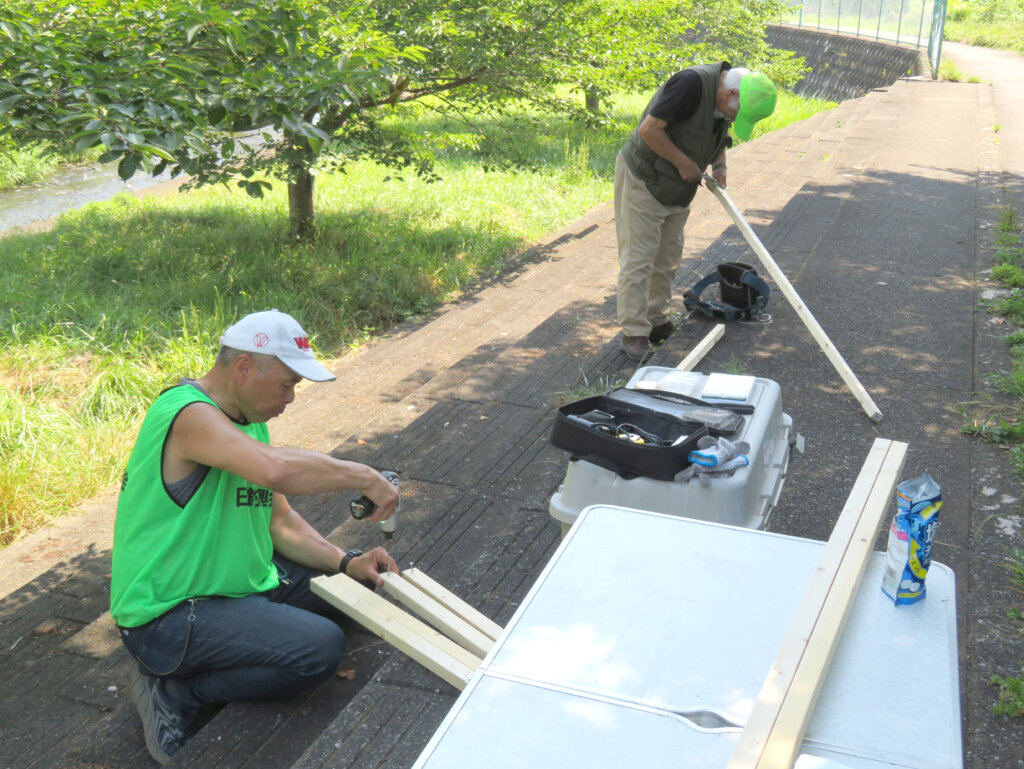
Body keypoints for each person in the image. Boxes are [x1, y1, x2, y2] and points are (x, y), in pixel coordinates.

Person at [110, 309, 400, 765]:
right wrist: (361, 473)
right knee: (319, 649)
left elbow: (278, 522)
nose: (291, 398)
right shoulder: (186, 414)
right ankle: (176, 690)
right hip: (168, 614)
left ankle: (259, 619)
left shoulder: (247, 422)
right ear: (244, 368)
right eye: (287, 385)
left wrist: (347, 562)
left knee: (354, 590)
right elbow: (276, 469)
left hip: (233, 584)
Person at [614, 62, 777, 361]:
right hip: (644, 177)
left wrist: (720, 164)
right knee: (639, 257)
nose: (732, 120)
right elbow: (649, 129)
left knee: (668, 256)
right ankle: (634, 332)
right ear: (730, 94)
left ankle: (656, 319)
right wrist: (683, 163)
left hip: (677, 187)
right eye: (736, 113)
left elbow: (718, 129)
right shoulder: (689, 84)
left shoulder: (727, 97)